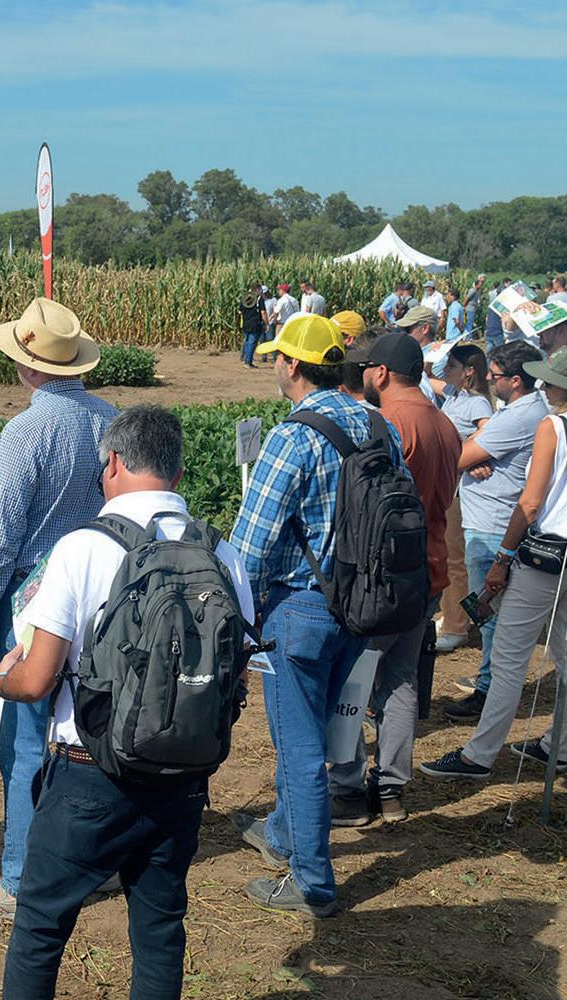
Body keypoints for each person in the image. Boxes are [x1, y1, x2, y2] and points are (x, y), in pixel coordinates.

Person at [0, 406, 254, 1000]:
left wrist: (0, 678)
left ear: (113, 464)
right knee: (161, 929)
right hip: (181, 781)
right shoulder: (224, 554)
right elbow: (237, 677)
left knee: (42, 922)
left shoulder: (84, 548)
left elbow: (35, 679)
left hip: (88, 773)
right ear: (178, 469)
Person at [230, 314, 399, 916]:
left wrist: (235, 623)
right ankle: (283, 832)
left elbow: (251, 547)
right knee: (318, 732)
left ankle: (311, 884)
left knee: (299, 749)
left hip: (299, 612)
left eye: (278, 357)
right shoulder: (379, 425)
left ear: (292, 366)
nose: (275, 365)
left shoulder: (292, 437)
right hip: (362, 606)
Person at [0, 297, 119, 920]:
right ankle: (92, 862)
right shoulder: (110, 420)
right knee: (88, 729)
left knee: (26, 740)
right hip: (99, 592)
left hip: (32, 599)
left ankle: (21, 877)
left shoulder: (25, 432)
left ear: (28, 367)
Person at [424, 348, 567, 780]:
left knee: (510, 658)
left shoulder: (553, 426)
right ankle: (558, 746)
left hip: (545, 553)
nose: (544, 386)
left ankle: (479, 755)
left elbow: (530, 503)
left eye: (551, 380)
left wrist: (505, 556)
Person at [328, 333, 460, 827]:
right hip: (428, 571)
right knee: (402, 680)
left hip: (381, 577)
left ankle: (346, 791)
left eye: (366, 369)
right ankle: (391, 789)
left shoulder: (386, 423)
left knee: (352, 679)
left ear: (380, 373)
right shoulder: (445, 424)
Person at [440, 342, 552, 721]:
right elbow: (470, 452)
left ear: (516, 380)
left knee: (488, 614)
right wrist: (475, 451)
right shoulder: (524, 410)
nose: (489, 378)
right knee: (489, 614)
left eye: (496, 374)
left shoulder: (518, 416)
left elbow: (458, 457)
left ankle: (489, 689)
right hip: (490, 521)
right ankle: (492, 679)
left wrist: (471, 453)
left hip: (491, 526)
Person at [433, 343, 494, 654]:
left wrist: (469, 454)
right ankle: (452, 615)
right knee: (449, 554)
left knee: (454, 558)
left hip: (458, 490)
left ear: (469, 371)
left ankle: (457, 627)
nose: (445, 370)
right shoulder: (454, 395)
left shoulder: (477, 403)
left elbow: (489, 431)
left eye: (452, 366)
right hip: (449, 484)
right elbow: (426, 377)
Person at [238, 287, 264, 367]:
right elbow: (263, 312)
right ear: (257, 290)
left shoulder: (245, 298)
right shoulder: (259, 299)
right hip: (255, 323)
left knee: (247, 341)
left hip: (246, 323)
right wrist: (266, 323)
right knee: (252, 343)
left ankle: (246, 360)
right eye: (260, 289)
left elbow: (239, 311)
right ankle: (248, 362)